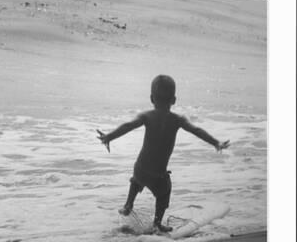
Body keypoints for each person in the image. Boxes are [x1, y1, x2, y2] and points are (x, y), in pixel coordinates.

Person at [97, 75, 229, 233]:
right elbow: (196, 130)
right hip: (158, 174)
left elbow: (128, 126)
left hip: (140, 167)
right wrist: (216, 142)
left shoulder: (146, 116)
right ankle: (157, 223)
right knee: (164, 193)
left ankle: (128, 205)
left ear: (152, 98)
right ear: (174, 100)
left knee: (136, 181)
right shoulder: (177, 120)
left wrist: (109, 136)